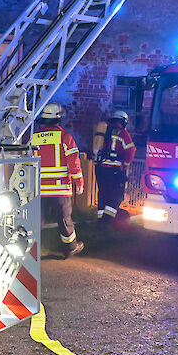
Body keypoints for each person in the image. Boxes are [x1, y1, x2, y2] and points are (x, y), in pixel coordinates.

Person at [32, 101, 85, 258]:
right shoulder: (65, 137)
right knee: (64, 221)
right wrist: (79, 183)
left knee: (36, 221)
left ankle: (30, 252)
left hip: (39, 189)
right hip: (60, 189)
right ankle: (70, 248)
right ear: (58, 118)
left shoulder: (34, 138)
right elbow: (74, 163)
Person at [94, 109, 136, 225]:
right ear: (123, 122)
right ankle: (107, 221)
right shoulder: (123, 133)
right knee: (116, 196)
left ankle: (100, 220)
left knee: (103, 193)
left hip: (100, 169)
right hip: (114, 171)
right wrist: (126, 164)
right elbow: (131, 150)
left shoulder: (105, 131)